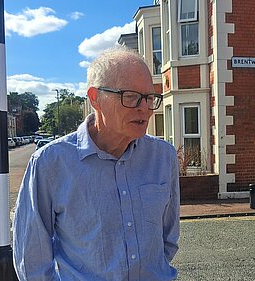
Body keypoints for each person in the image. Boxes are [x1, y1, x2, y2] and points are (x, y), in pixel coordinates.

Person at [13, 46, 180, 280]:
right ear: (95, 98)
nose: (144, 108)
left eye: (150, 97)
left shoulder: (163, 157)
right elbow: (32, 261)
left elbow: (168, 239)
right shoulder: (50, 163)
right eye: (131, 97)